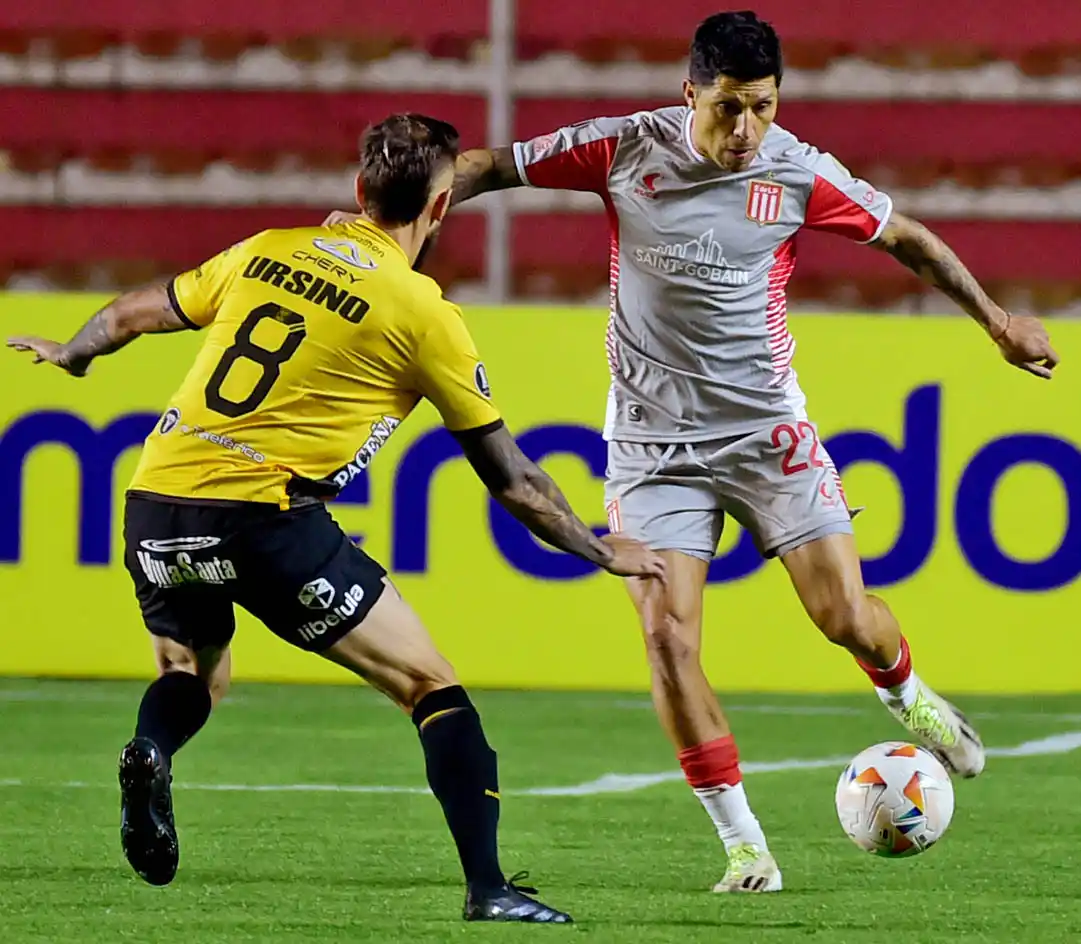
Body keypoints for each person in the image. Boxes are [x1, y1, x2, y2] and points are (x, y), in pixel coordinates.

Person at [326, 11, 1060, 894]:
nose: (745, 129)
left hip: (767, 434)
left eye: (761, 107)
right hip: (650, 444)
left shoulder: (796, 172)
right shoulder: (624, 149)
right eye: (727, 108)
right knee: (667, 637)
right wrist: (384, 224)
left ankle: (905, 694)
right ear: (689, 96)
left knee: (842, 616)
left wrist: (996, 323)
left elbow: (906, 237)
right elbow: (493, 165)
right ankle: (745, 848)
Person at [7, 113, 667, 924]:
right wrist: (597, 549)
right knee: (431, 688)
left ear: (357, 190)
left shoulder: (267, 248)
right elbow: (515, 480)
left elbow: (135, 312)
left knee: (193, 674)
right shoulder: (423, 313)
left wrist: (73, 353)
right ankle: (489, 889)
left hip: (154, 502)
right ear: (440, 207)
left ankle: (152, 750)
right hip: (264, 519)